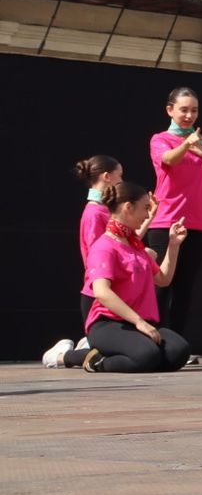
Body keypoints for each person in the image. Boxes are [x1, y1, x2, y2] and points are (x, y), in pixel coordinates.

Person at [70, 181, 191, 373]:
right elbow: (101, 292)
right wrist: (139, 322)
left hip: (138, 324)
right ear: (128, 207)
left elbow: (163, 279)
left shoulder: (135, 245)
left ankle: (138, 354)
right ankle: (95, 360)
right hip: (109, 324)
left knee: (178, 352)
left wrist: (173, 245)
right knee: (147, 356)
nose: (146, 214)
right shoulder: (105, 246)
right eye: (145, 208)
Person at [148, 86, 202, 347]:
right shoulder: (161, 139)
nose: (189, 115)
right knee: (161, 285)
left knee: (185, 288)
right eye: (184, 110)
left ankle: (178, 344)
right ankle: (152, 339)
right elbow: (168, 160)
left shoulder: (200, 142)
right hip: (166, 221)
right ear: (170, 110)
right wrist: (187, 144)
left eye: (194, 110)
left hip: (197, 222)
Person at [44, 155, 125, 368]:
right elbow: (97, 253)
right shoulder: (95, 212)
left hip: (114, 285)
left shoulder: (106, 211)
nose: (122, 181)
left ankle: (84, 347)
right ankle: (62, 356)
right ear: (107, 177)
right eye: (120, 176)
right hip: (98, 288)